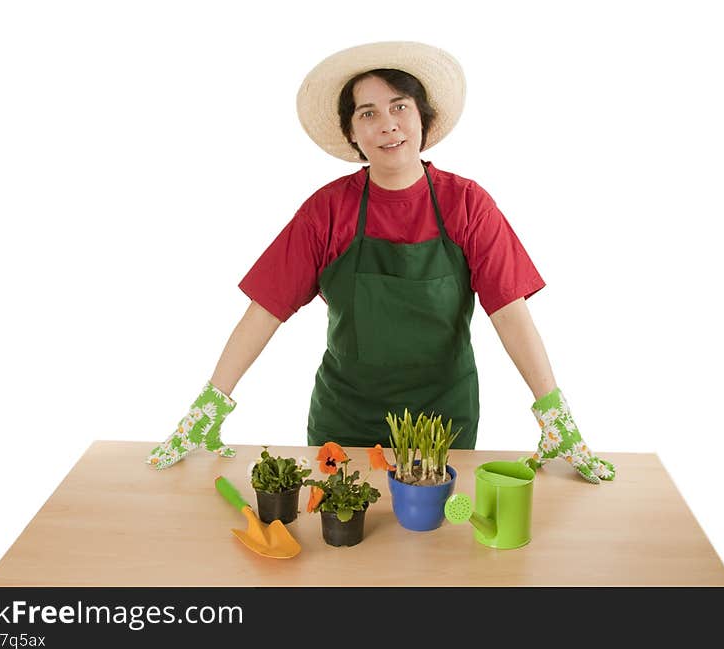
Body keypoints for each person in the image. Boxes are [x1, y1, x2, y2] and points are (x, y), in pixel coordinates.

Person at [146, 41, 616, 484]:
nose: (387, 124)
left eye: (399, 107)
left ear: (422, 119)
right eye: (367, 113)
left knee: (427, 552)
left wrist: (554, 414)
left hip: (442, 425)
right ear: (352, 132)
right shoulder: (327, 211)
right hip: (345, 420)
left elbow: (510, 313)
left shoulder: (468, 205)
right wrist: (210, 405)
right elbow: (265, 310)